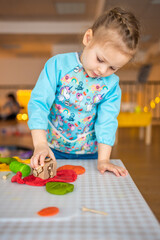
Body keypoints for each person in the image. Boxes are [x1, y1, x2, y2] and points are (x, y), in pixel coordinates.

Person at [28, 7, 140, 177]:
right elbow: (39, 103)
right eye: (100, 59)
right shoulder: (58, 65)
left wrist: (103, 160)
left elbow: (107, 121)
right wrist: (40, 144)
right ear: (88, 38)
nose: (103, 70)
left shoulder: (111, 86)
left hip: (90, 154)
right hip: (51, 148)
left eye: (113, 67)